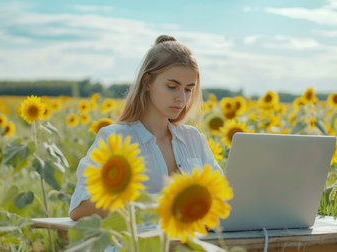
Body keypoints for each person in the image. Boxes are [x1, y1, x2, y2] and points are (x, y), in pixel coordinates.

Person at [69, 35, 222, 221]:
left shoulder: (194, 139)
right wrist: (155, 206)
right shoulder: (116, 138)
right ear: (147, 82)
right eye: (172, 86)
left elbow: (221, 196)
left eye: (188, 89)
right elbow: (81, 208)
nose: (181, 98)